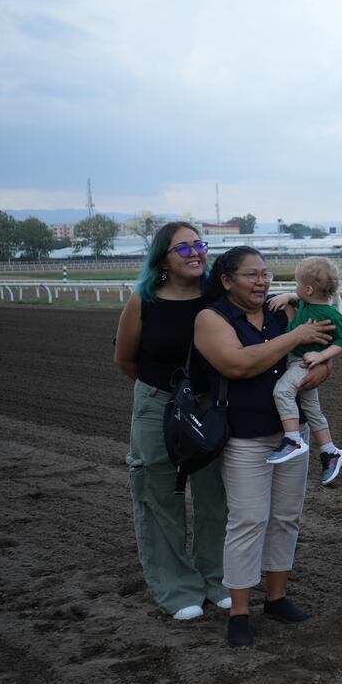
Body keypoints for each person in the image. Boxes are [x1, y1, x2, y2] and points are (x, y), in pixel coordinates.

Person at [192, 246, 335, 648]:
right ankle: (239, 612)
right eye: (251, 275)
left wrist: (315, 370)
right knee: (248, 520)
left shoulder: (282, 311)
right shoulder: (211, 318)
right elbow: (238, 365)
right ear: (226, 281)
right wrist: (295, 338)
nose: (262, 282)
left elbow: (321, 356)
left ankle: (276, 598)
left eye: (266, 274)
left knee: (286, 517)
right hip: (243, 437)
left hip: (291, 436)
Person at [114, 222, 228, 621]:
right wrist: (168, 396)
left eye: (199, 244)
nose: (196, 252)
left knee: (216, 495)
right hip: (156, 405)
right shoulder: (143, 300)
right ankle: (176, 588)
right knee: (159, 495)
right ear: (163, 257)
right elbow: (125, 359)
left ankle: (217, 577)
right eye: (184, 248)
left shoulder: (219, 295)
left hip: (210, 406)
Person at [265, 257, 342, 486]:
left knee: (282, 391)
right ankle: (330, 451)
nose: (295, 289)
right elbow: (298, 298)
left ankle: (292, 439)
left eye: (296, 284)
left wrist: (321, 357)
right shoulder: (308, 302)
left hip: (303, 363)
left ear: (309, 289)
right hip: (298, 359)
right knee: (312, 410)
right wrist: (287, 297)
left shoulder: (331, 314)